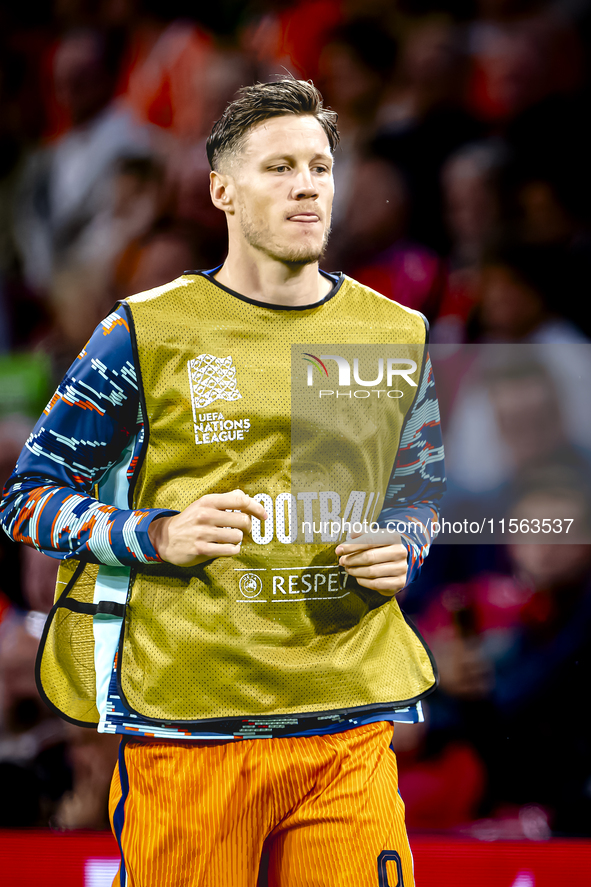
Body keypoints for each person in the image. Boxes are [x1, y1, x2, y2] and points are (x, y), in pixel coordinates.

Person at [0, 80, 445, 887]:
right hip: (188, 730)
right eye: (279, 166)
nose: (307, 184)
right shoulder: (141, 329)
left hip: (345, 723)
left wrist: (401, 545)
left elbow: (417, 491)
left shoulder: (396, 331)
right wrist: (155, 534)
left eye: (320, 165)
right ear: (222, 190)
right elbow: (27, 496)